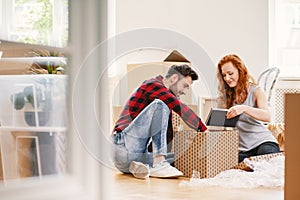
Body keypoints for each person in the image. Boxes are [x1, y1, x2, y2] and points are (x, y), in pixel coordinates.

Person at [111, 64, 207, 179]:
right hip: (122, 146)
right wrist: (203, 128)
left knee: (180, 157)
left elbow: (165, 133)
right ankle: (158, 164)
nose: (185, 91)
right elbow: (179, 107)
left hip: (134, 156)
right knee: (160, 105)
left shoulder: (164, 97)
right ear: (174, 78)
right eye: (185, 86)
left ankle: (139, 167)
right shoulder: (152, 85)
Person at [216, 54, 280, 163]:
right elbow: (221, 125)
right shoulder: (225, 97)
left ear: (240, 71)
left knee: (266, 162)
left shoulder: (256, 91)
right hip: (242, 149)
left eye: (230, 73)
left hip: (263, 142)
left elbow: (267, 116)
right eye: (224, 75)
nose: (227, 78)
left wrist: (244, 108)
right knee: (225, 164)